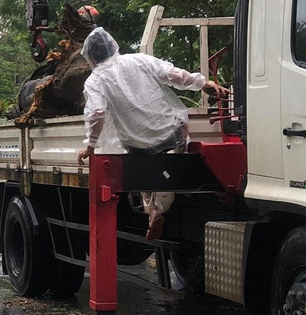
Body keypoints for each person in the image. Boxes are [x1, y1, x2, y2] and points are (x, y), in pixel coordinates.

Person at [75, 28, 231, 241]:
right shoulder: (138, 60)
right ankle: (166, 192)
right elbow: (173, 75)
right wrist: (204, 84)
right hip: (170, 134)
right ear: (113, 46)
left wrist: (91, 146)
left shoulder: (94, 81)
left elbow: (96, 114)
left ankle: (152, 208)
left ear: (91, 57)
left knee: (143, 173)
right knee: (176, 154)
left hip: (137, 146)